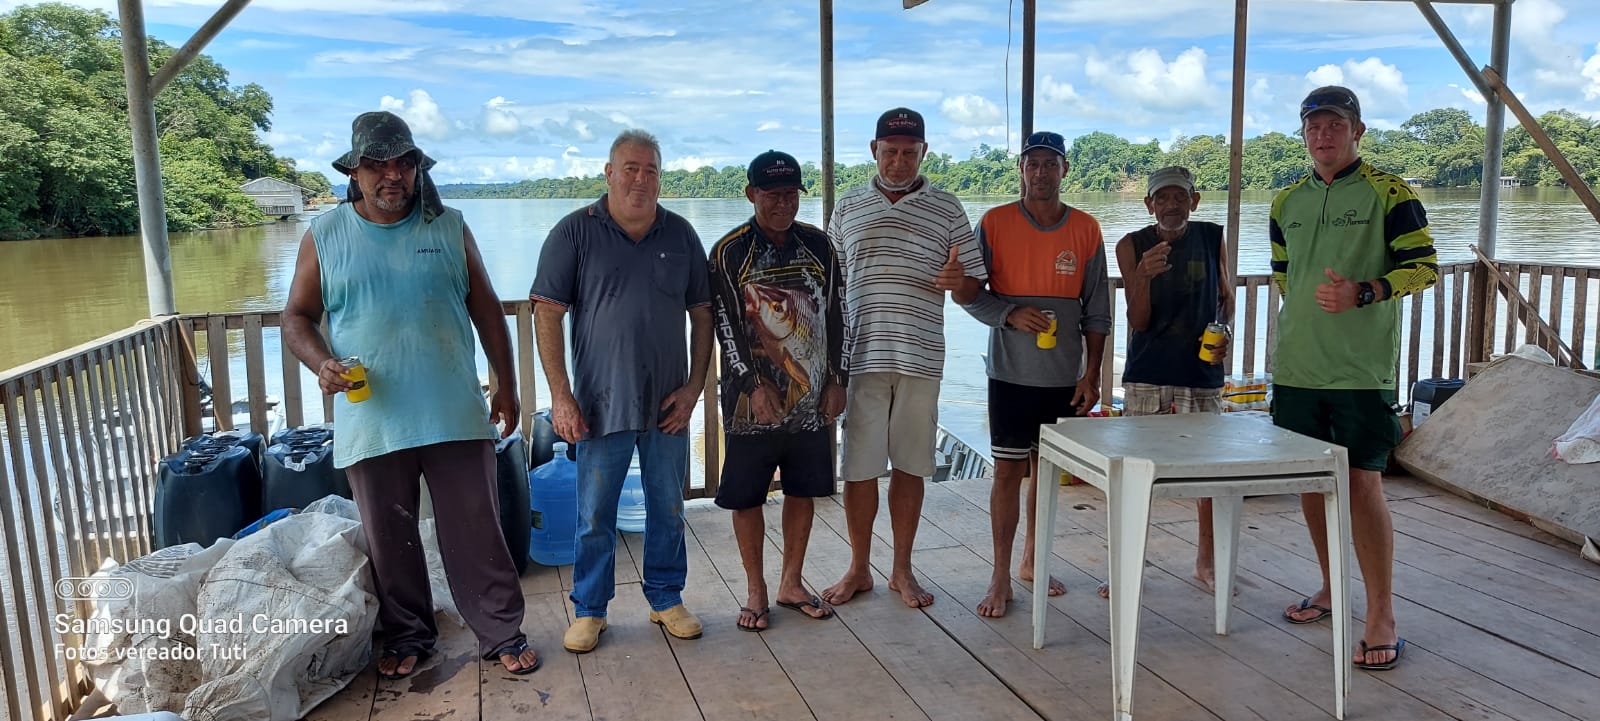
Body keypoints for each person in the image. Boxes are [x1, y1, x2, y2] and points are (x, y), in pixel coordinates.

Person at [282, 111, 539, 679]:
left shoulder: (449, 227)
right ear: (354, 172)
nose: (391, 175)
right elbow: (296, 317)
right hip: (372, 419)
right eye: (377, 164)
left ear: (419, 169)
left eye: (404, 163)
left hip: (454, 411)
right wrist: (321, 362)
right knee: (389, 537)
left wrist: (507, 381)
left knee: (478, 532)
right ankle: (408, 635)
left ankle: (501, 632)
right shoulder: (324, 235)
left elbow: (486, 308)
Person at [1270, 86, 1438, 671]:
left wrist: (1364, 291)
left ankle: (1381, 611)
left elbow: (1424, 268)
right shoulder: (1284, 200)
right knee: (1314, 482)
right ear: (1304, 134)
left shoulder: (1390, 192)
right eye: (1313, 126)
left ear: (1357, 130)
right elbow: (1283, 274)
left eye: (1335, 125)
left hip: (1362, 372)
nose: (1323, 136)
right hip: (1296, 368)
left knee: (1363, 484)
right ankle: (1328, 586)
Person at [529, 129, 712, 654]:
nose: (640, 178)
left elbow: (702, 314)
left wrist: (695, 387)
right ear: (608, 173)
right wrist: (560, 397)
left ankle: (666, 598)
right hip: (597, 404)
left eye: (651, 169)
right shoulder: (574, 233)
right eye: (630, 168)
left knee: (669, 507)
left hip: (667, 405)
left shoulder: (680, 235)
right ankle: (590, 609)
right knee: (593, 515)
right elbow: (547, 314)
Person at [821, 107, 986, 609]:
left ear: (924, 153)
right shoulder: (848, 207)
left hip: (921, 356)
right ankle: (859, 568)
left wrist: (962, 284)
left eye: (908, 153)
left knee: (912, 468)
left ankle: (902, 570)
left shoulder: (949, 208)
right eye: (889, 152)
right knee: (859, 468)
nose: (898, 162)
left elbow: (974, 285)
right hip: (861, 355)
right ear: (874, 151)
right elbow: (829, 286)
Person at [956, 130, 1112, 618]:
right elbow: (971, 294)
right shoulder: (995, 223)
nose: (1041, 172)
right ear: (1021, 170)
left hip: (1064, 376)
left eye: (1050, 163)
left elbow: (1098, 312)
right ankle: (999, 574)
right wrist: (1009, 314)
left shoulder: (1086, 229)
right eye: (1033, 164)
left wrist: (1092, 376)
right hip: (1010, 372)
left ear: (1065, 170)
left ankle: (1032, 559)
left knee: (1046, 473)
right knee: (1006, 471)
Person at [708, 150, 846, 631]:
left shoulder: (820, 246)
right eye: (772, 195)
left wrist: (837, 379)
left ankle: (791, 582)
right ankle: (756, 590)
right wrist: (750, 383)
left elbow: (835, 316)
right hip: (752, 404)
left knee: (803, 490)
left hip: (810, 398)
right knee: (746, 497)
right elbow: (724, 324)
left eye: (791, 195)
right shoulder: (728, 251)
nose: (783, 204)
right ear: (752, 195)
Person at [1110, 165, 1233, 597]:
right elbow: (1138, 321)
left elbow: (1226, 302)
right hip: (1149, 370)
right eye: (1161, 198)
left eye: (1179, 196)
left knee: (1210, 475)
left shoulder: (1211, 237)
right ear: (1149, 205)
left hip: (1200, 371)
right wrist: (1142, 274)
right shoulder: (1131, 245)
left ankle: (1207, 563)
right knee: (1135, 474)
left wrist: (1225, 335)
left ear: (1194, 201)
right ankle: (1128, 566)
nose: (1171, 205)